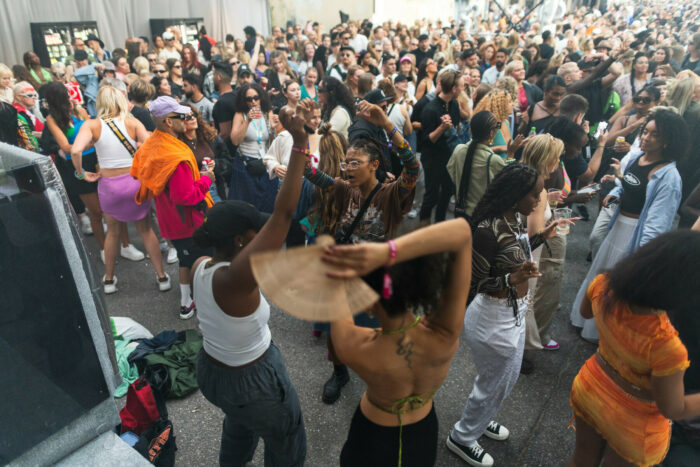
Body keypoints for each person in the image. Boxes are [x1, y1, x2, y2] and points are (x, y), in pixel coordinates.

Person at [297, 219, 472, 466]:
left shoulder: (354, 346)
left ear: (367, 304)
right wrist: (387, 252)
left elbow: (333, 289)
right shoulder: (444, 333)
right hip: (423, 432)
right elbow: (462, 232)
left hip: (372, 440)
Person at [192, 104, 310, 467]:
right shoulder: (235, 279)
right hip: (252, 379)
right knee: (287, 440)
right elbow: (284, 214)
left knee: (240, 425)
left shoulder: (201, 264)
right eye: (255, 231)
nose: (262, 233)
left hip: (213, 372)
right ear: (244, 241)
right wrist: (301, 142)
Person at [447, 163, 571, 467]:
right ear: (515, 195)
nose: (538, 201)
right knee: (493, 381)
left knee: (506, 377)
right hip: (492, 317)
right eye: (533, 195)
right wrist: (511, 280)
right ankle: (462, 437)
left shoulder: (515, 217)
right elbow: (473, 284)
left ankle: (481, 418)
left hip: (513, 314)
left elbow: (515, 250)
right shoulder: (486, 230)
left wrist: (540, 237)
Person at [304, 100, 419, 404]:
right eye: (346, 162)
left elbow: (413, 167)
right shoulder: (345, 188)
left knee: (377, 335)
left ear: (375, 165)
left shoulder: (391, 196)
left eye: (356, 163)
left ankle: (376, 377)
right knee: (336, 329)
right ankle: (339, 372)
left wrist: (387, 126)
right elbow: (317, 176)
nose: (348, 168)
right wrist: (304, 138)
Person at [568, 231, 700, 467]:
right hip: (635, 424)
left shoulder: (603, 284)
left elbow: (585, 313)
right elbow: (673, 408)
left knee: (581, 461)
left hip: (592, 387)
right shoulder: (666, 346)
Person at [571, 108, 689, 342]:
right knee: (599, 277)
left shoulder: (669, 177)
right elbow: (626, 182)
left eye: (654, 135)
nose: (645, 137)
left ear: (668, 140)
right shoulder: (637, 157)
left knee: (617, 285)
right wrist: (616, 192)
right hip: (617, 226)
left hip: (634, 234)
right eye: (646, 131)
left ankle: (604, 336)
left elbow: (658, 224)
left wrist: (642, 258)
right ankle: (584, 321)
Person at [70, 85, 169, 294]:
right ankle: (161, 276)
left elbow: (75, 150)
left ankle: (108, 280)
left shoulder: (92, 125)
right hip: (135, 182)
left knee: (113, 232)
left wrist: (81, 173)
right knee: (145, 229)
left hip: (109, 185)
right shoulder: (132, 122)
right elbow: (150, 144)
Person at [130, 96, 215, 319]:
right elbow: (187, 197)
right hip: (187, 221)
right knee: (201, 261)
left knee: (185, 260)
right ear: (169, 121)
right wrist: (207, 179)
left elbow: (138, 168)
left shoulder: (152, 144)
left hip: (169, 219)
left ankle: (186, 301)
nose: (186, 119)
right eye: (182, 116)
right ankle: (203, 305)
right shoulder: (174, 155)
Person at [447, 111, 519, 219]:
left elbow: (452, 172)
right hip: (481, 216)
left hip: (460, 213)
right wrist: (510, 155)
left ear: (471, 130)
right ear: (491, 133)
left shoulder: (459, 150)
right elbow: (509, 182)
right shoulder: (493, 160)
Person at [418, 70, 462, 225]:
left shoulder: (454, 104)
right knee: (432, 195)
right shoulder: (430, 108)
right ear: (454, 89)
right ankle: (422, 231)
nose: (463, 89)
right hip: (432, 158)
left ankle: (440, 226)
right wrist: (442, 128)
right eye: (461, 86)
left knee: (447, 191)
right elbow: (426, 140)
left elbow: (456, 127)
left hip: (448, 157)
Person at [228, 83, 277, 212]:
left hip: (264, 164)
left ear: (261, 98)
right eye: (249, 99)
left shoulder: (267, 113)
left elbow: (272, 142)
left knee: (267, 206)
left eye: (256, 98)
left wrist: (274, 129)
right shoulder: (240, 115)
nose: (253, 102)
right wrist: (248, 121)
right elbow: (235, 141)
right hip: (246, 165)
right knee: (246, 208)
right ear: (243, 101)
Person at [181, 104, 232, 202]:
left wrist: (215, 164)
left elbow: (228, 162)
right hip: (194, 191)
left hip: (214, 189)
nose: (193, 118)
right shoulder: (177, 143)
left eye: (194, 115)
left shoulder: (211, 137)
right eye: (187, 117)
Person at [473, 90, 513, 159]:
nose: (513, 104)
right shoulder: (489, 125)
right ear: (500, 106)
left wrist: (522, 143)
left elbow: (509, 147)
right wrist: (499, 149)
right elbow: (477, 151)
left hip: (508, 164)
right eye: (509, 102)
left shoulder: (505, 122)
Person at [211, 62, 236, 154]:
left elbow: (225, 133)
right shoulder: (237, 95)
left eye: (213, 75)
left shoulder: (222, 103)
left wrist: (212, 149)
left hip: (229, 154)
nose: (212, 79)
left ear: (219, 77)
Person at [12, 81, 43, 152]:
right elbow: (28, 134)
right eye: (29, 95)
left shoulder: (25, 111)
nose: (34, 98)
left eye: (35, 95)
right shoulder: (19, 113)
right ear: (18, 97)